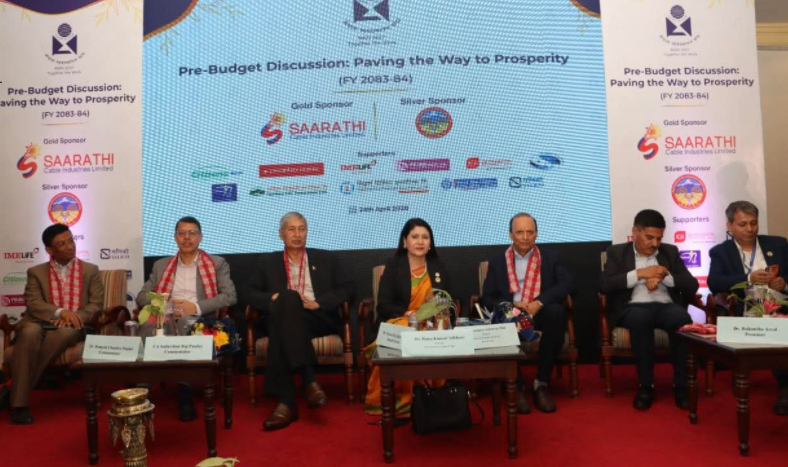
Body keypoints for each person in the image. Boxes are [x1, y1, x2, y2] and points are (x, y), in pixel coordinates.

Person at [246, 212, 353, 431]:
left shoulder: (326, 258)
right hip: (281, 317)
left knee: (283, 320)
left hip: (316, 317)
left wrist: (318, 303)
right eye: (291, 229)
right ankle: (307, 380)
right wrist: (275, 297)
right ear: (281, 234)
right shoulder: (267, 262)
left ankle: (287, 401)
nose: (297, 234)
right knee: (288, 299)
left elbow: (348, 288)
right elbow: (248, 293)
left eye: (302, 229)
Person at [137, 216, 237, 421]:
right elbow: (141, 296)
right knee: (148, 325)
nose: (187, 238)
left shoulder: (216, 263)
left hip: (199, 318)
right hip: (167, 316)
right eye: (182, 233)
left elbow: (230, 296)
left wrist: (196, 307)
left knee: (185, 322)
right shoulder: (161, 265)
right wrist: (163, 305)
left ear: (201, 237)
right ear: (175, 237)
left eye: (192, 233)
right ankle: (142, 392)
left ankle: (184, 391)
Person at [599, 209, 699, 411]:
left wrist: (663, 275)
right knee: (641, 318)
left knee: (681, 318)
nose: (655, 243)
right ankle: (646, 386)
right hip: (633, 307)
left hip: (665, 306)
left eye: (659, 238)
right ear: (635, 232)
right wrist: (640, 274)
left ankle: (681, 386)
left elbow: (692, 285)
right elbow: (605, 285)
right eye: (650, 237)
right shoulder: (617, 253)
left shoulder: (670, 252)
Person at [7, 223, 103, 425]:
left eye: (71, 240)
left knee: (65, 332)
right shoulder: (36, 272)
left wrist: (73, 316)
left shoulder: (90, 270)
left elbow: (95, 304)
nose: (70, 246)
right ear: (50, 250)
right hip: (40, 322)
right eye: (62, 244)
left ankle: (16, 399)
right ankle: (19, 402)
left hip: (73, 325)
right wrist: (60, 312)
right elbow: (33, 302)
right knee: (29, 332)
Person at [481, 213, 573, 414]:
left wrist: (538, 303)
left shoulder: (551, 257)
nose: (524, 237)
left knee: (557, 312)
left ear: (536, 234)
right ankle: (517, 386)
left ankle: (541, 384)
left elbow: (566, 283)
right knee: (502, 319)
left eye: (529, 232)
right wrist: (512, 305)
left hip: (539, 310)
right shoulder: (497, 261)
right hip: (511, 312)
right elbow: (487, 297)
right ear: (510, 234)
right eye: (519, 232)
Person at [365, 218, 455, 417]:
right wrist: (408, 314)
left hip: (431, 323)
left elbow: (447, 299)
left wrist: (434, 310)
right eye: (415, 237)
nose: (420, 241)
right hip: (400, 320)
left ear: (430, 242)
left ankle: (430, 397)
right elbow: (384, 304)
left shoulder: (437, 266)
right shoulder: (394, 265)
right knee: (406, 333)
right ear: (405, 241)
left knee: (433, 333)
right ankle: (400, 403)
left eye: (425, 237)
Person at [707, 200, 788, 415]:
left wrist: (784, 284)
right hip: (745, 308)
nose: (750, 229)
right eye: (742, 224)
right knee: (773, 325)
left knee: (778, 321)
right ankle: (785, 386)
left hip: (780, 304)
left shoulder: (778, 244)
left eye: (754, 223)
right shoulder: (720, 252)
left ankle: (785, 387)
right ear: (730, 226)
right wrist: (749, 278)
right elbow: (715, 283)